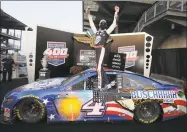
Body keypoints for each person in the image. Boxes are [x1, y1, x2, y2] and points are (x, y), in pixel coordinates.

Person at [86, 6, 120, 90]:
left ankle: (100, 86)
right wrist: (88, 13)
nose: (103, 24)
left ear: (105, 25)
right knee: (99, 68)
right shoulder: (96, 32)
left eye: (104, 23)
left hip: (101, 49)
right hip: (97, 49)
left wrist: (116, 13)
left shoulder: (106, 32)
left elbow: (114, 24)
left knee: (98, 68)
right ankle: (107, 84)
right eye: (101, 22)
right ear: (99, 24)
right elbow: (91, 24)